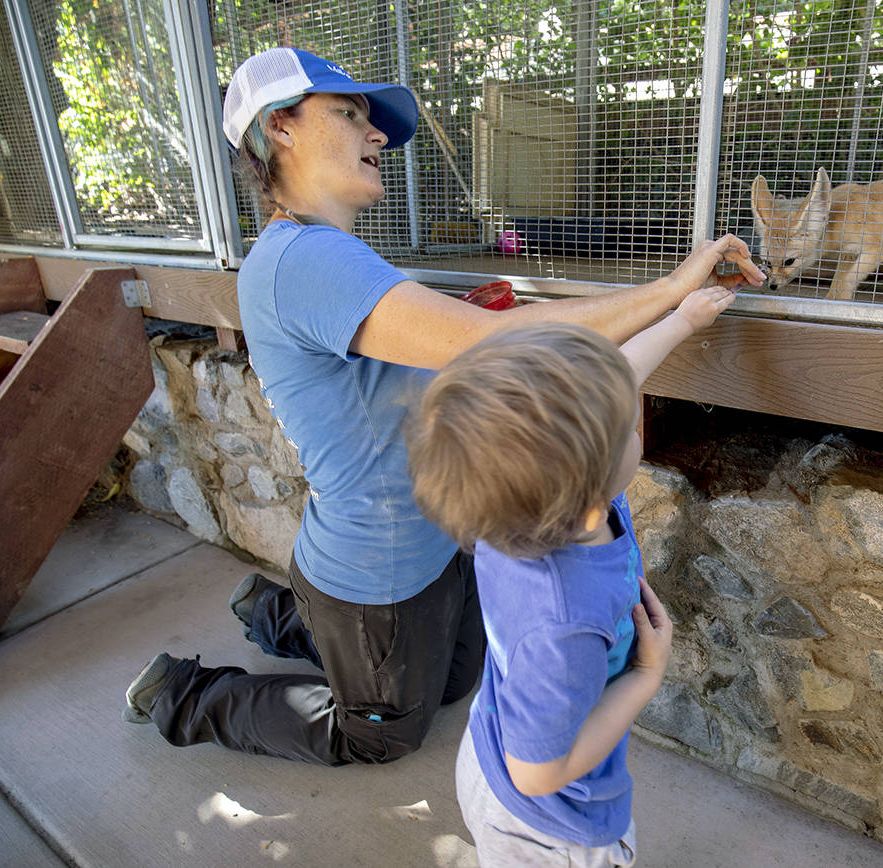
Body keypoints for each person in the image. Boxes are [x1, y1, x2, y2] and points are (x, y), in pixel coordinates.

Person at [121, 46, 763, 766]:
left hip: (432, 543)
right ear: (281, 127)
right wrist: (672, 290)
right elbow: (486, 346)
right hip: (376, 571)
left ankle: (280, 615)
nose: (377, 137)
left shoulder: (329, 251)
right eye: (349, 113)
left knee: (458, 682)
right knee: (381, 735)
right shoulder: (305, 258)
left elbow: (431, 358)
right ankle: (187, 695)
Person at [408, 285, 734, 865]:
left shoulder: (515, 505)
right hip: (546, 823)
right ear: (587, 492)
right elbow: (537, 773)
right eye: (627, 427)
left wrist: (682, 321)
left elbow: (604, 385)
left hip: (495, 741)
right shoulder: (566, 622)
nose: (632, 414)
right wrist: (646, 678)